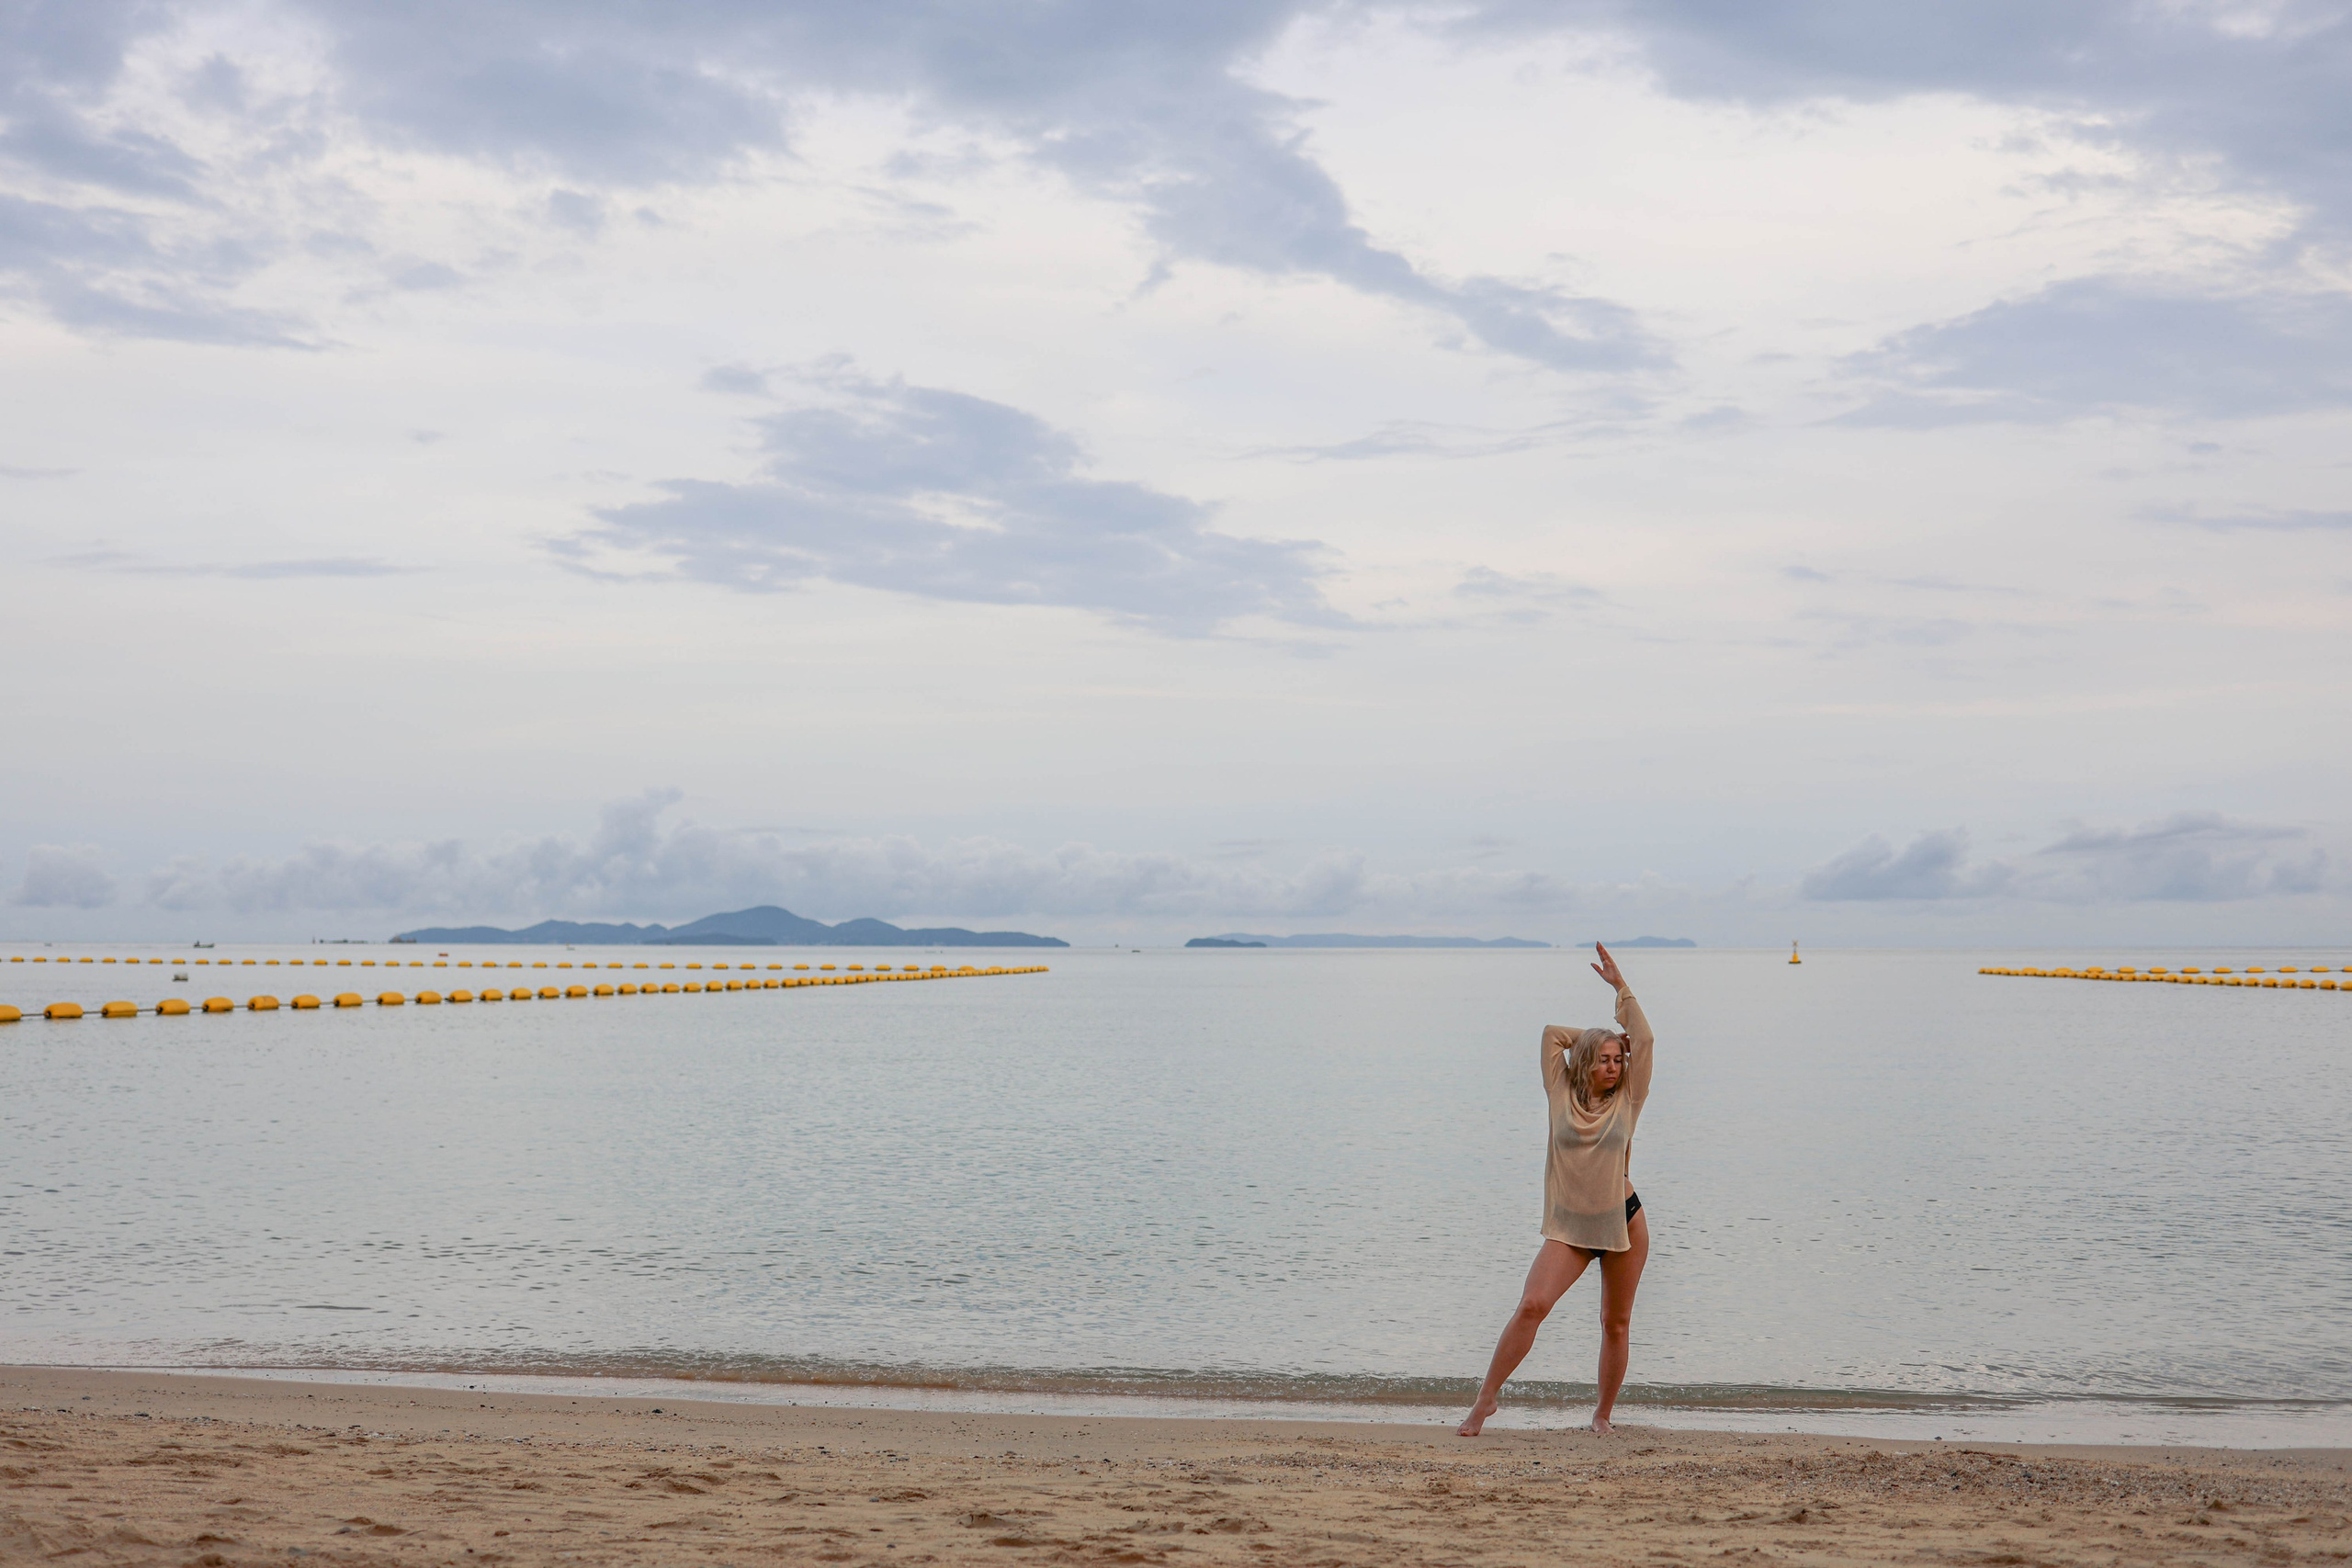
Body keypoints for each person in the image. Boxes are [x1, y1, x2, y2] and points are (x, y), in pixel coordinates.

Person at [1457, 942, 1654, 1437]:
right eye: (1603, 1059)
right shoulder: (1560, 1089)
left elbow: (1646, 1039)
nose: (1614, 1066)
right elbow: (1550, 1035)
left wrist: (1620, 989)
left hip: (1623, 1221)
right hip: (1570, 1228)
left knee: (1615, 1323)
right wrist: (1598, 1036)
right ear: (1585, 1061)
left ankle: (1602, 1415)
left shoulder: (1629, 1098)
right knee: (1532, 1305)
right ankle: (1486, 1400)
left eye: (1618, 1059)